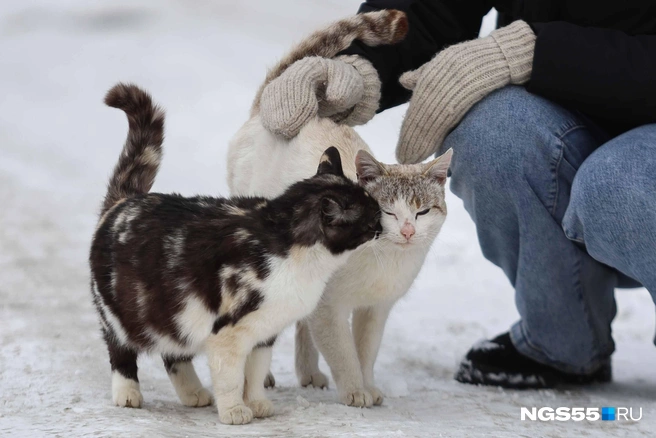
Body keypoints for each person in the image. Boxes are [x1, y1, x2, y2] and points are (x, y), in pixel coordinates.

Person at [257, 0, 656, 389]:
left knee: (616, 184)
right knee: (492, 133)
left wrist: (537, 52)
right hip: (567, 103)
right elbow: (434, 8)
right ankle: (562, 341)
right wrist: (356, 65)